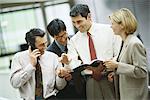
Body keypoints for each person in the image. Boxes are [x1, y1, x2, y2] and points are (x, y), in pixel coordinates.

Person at [67, 4, 121, 100]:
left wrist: (106, 67)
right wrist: (91, 69)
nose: (77, 26)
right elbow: (73, 62)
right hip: (91, 80)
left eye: (79, 21)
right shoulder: (74, 40)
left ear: (89, 17)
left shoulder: (109, 30)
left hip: (111, 76)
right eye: (74, 22)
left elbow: (119, 52)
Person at [10, 28, 67, 100]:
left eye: (46, 43)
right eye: (41, 45)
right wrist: (31, 66)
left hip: (50, 98)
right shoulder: (19, 58)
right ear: (31, 45)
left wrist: (61, 77)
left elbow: (60, 87)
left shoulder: (53, 57)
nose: (45, 47)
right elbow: (15, 83)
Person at [104, 8, 149, 100]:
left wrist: (117, 66)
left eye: (113, 23)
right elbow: (128, 66)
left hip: (136, 96)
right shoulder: (124, 42)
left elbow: (142, 71)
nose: (111, 27)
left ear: (122, 25)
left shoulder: (134, 43)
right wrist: (115, 71)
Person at [47, 18, 82, 99]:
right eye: (58, 37)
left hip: (83, 85)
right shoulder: (50, 53)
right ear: (53, 37)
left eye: (64, 35)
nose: (63, 39)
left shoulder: (76, 40)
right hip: (66, 94)